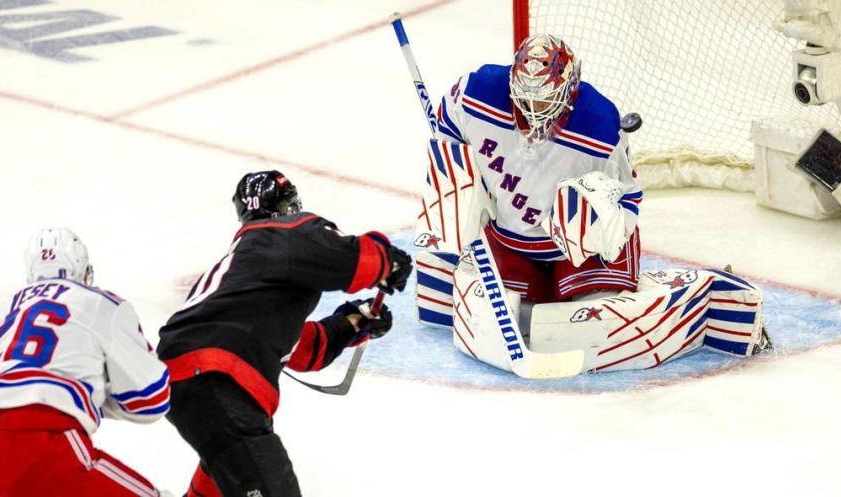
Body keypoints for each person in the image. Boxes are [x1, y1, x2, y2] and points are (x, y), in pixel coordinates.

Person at [157, 170, 413, 497]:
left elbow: (292, 347)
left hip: (186, 378)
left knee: (224, 476)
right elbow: (352, 256)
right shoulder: (278, 233)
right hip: (218, 379)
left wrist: (350, 324)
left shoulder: (245, 271)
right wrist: (386, 261)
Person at [416, 34, 643, 327]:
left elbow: (628, 197)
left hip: (579, 254)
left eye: (545, 97)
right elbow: (447, 136)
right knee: (505, 319)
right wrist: (464, 189)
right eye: (525, 96)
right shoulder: (476, 92)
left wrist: (603, 234)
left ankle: (591, 286)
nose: (533, 107)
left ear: (570, 89)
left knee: (591, 323)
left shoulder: (599, 126)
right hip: (508, 242)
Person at [0, 227, 171, 497]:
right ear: (84, 270)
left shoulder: (11, 307)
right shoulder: (100, 302)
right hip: (39, 443)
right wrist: (97, 393)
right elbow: (150, 400)